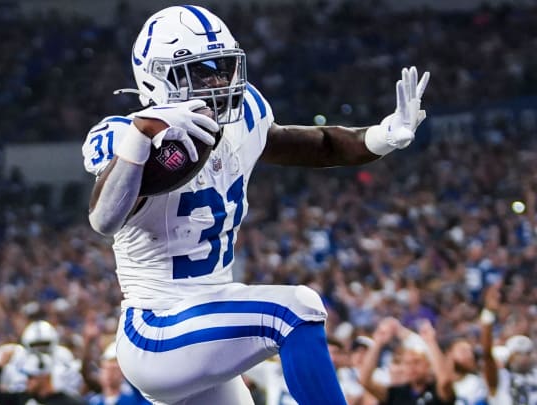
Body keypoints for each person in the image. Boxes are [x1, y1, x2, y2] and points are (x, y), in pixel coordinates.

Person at [83, 5, 430, 404]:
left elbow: (316, 144)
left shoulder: (244, 115)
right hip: (156, 329)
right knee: (295, 310)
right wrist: (142, 136)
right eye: (199, 71)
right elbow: (104, 218)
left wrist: (381, 136)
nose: (217, 81)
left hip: (208, 320)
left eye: (222, 67)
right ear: (157, 77)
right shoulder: (122, 134)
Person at [358, 318, 454, 405]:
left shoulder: (437, 391)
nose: (412, 367)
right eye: (407, 363)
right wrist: (378, 343)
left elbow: (445, 380)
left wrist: (431, 342)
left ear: (428, 365)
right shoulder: (396, 393)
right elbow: (365, 381)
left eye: (417, 362)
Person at [0, 349, 86, 405]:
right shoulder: (23, 398)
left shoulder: (69, 402)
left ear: (44, 376)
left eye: (31, 377)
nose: (27, 381)